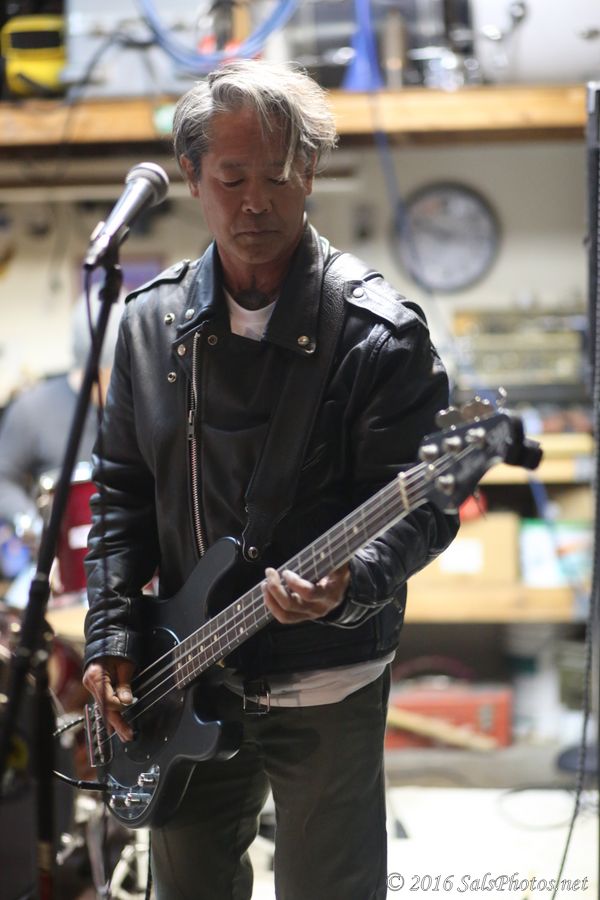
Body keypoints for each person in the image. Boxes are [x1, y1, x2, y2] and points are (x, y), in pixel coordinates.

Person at [82, 59, 459, 900]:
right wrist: (110, 636)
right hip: (182, 673)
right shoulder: (148, 325)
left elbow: (427, 504)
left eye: (278, 176)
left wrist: (351, 581)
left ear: (311, 171)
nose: (255, 201)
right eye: (232, 178)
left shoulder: (378, 334)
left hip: (326, 677)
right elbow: (120, 495)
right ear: (191, 177)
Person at [0, 288, 124, 595]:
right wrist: (32, 526)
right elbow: (3, 478)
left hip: (133, 570)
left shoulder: (140, 407)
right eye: (114, 369)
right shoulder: (33, 409)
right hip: (55, 571)